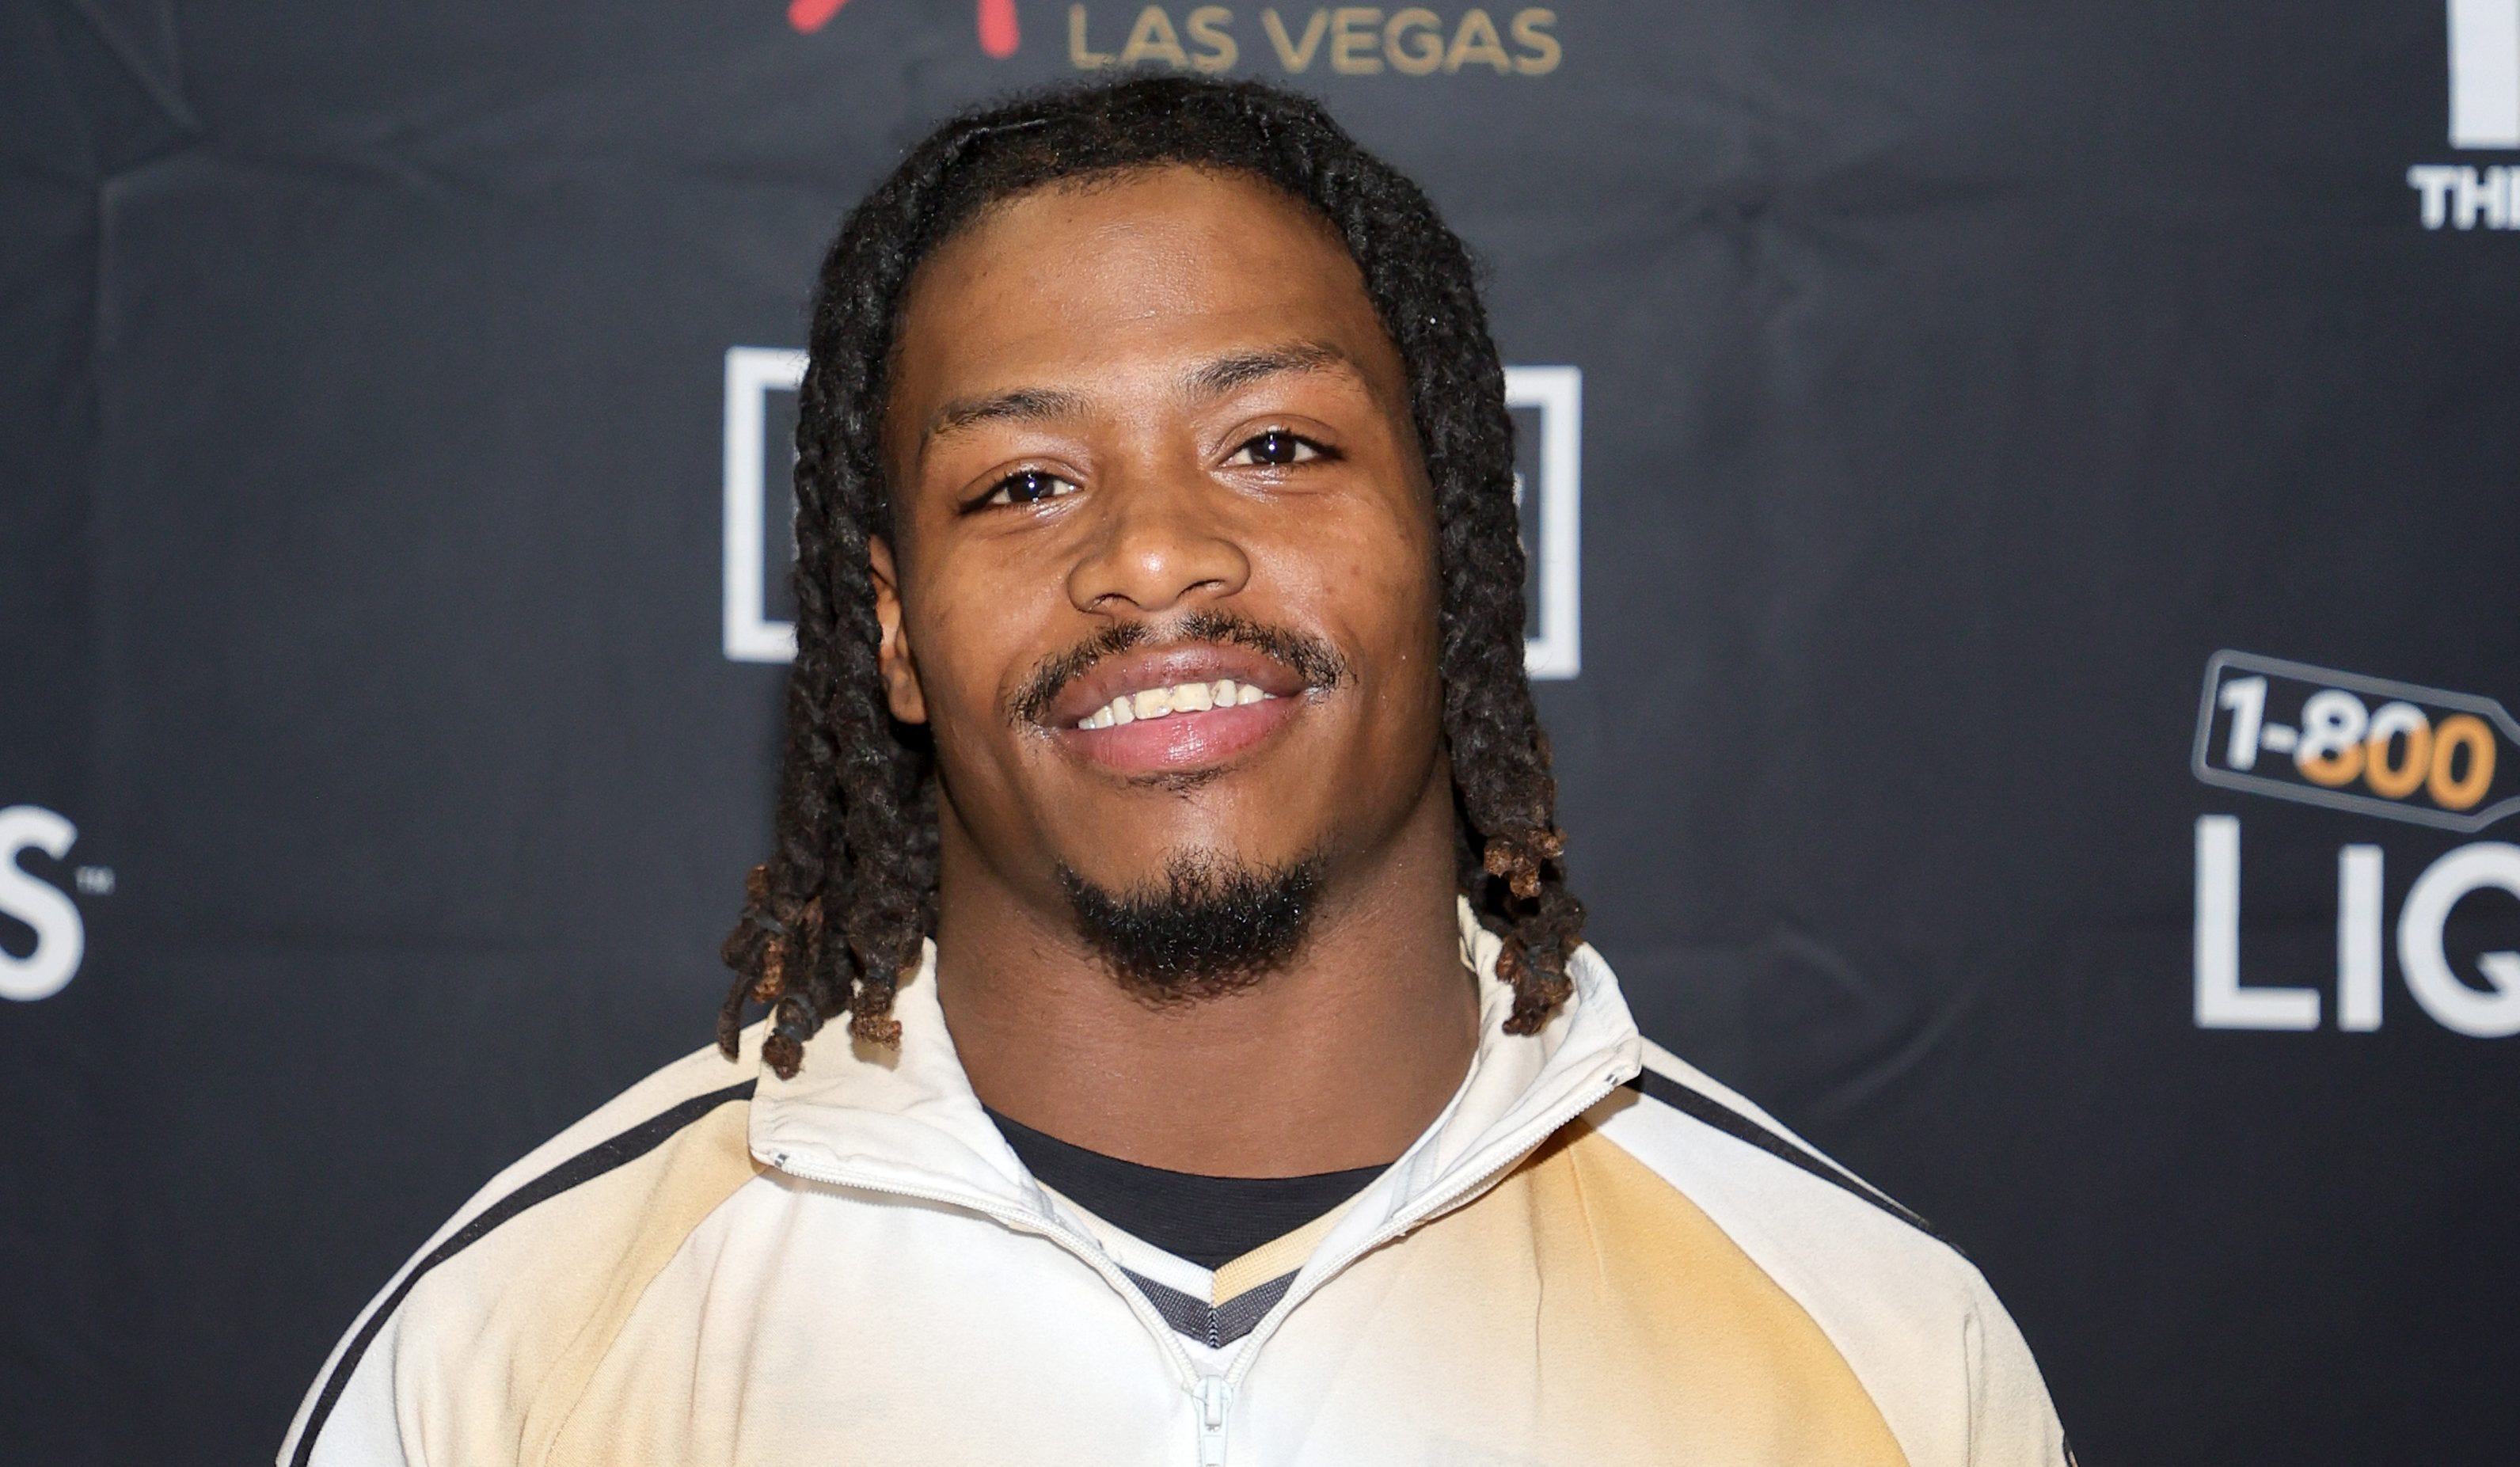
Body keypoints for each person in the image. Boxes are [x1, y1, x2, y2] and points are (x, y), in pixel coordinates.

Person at [281, 75, 2070, 1467]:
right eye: (1023, 484)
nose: (1150, 557)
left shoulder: (1880, 1354)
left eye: (1272, 445)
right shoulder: (523, 1347)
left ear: (1455, 541)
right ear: (890, 631)